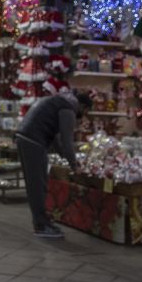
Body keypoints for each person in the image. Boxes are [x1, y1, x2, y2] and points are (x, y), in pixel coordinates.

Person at [16, 91, 92, 239]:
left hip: (25, 137)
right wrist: (74, 165)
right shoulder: (69, 109)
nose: (84, 115)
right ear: (82, 106)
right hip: (34, 141)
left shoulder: (58, 101)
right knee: (38, 186)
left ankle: (42, 221)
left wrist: (64, 156)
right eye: (86, 111)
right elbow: (67, 141)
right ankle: (41, 226)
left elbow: (56, 138)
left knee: (36, 184)